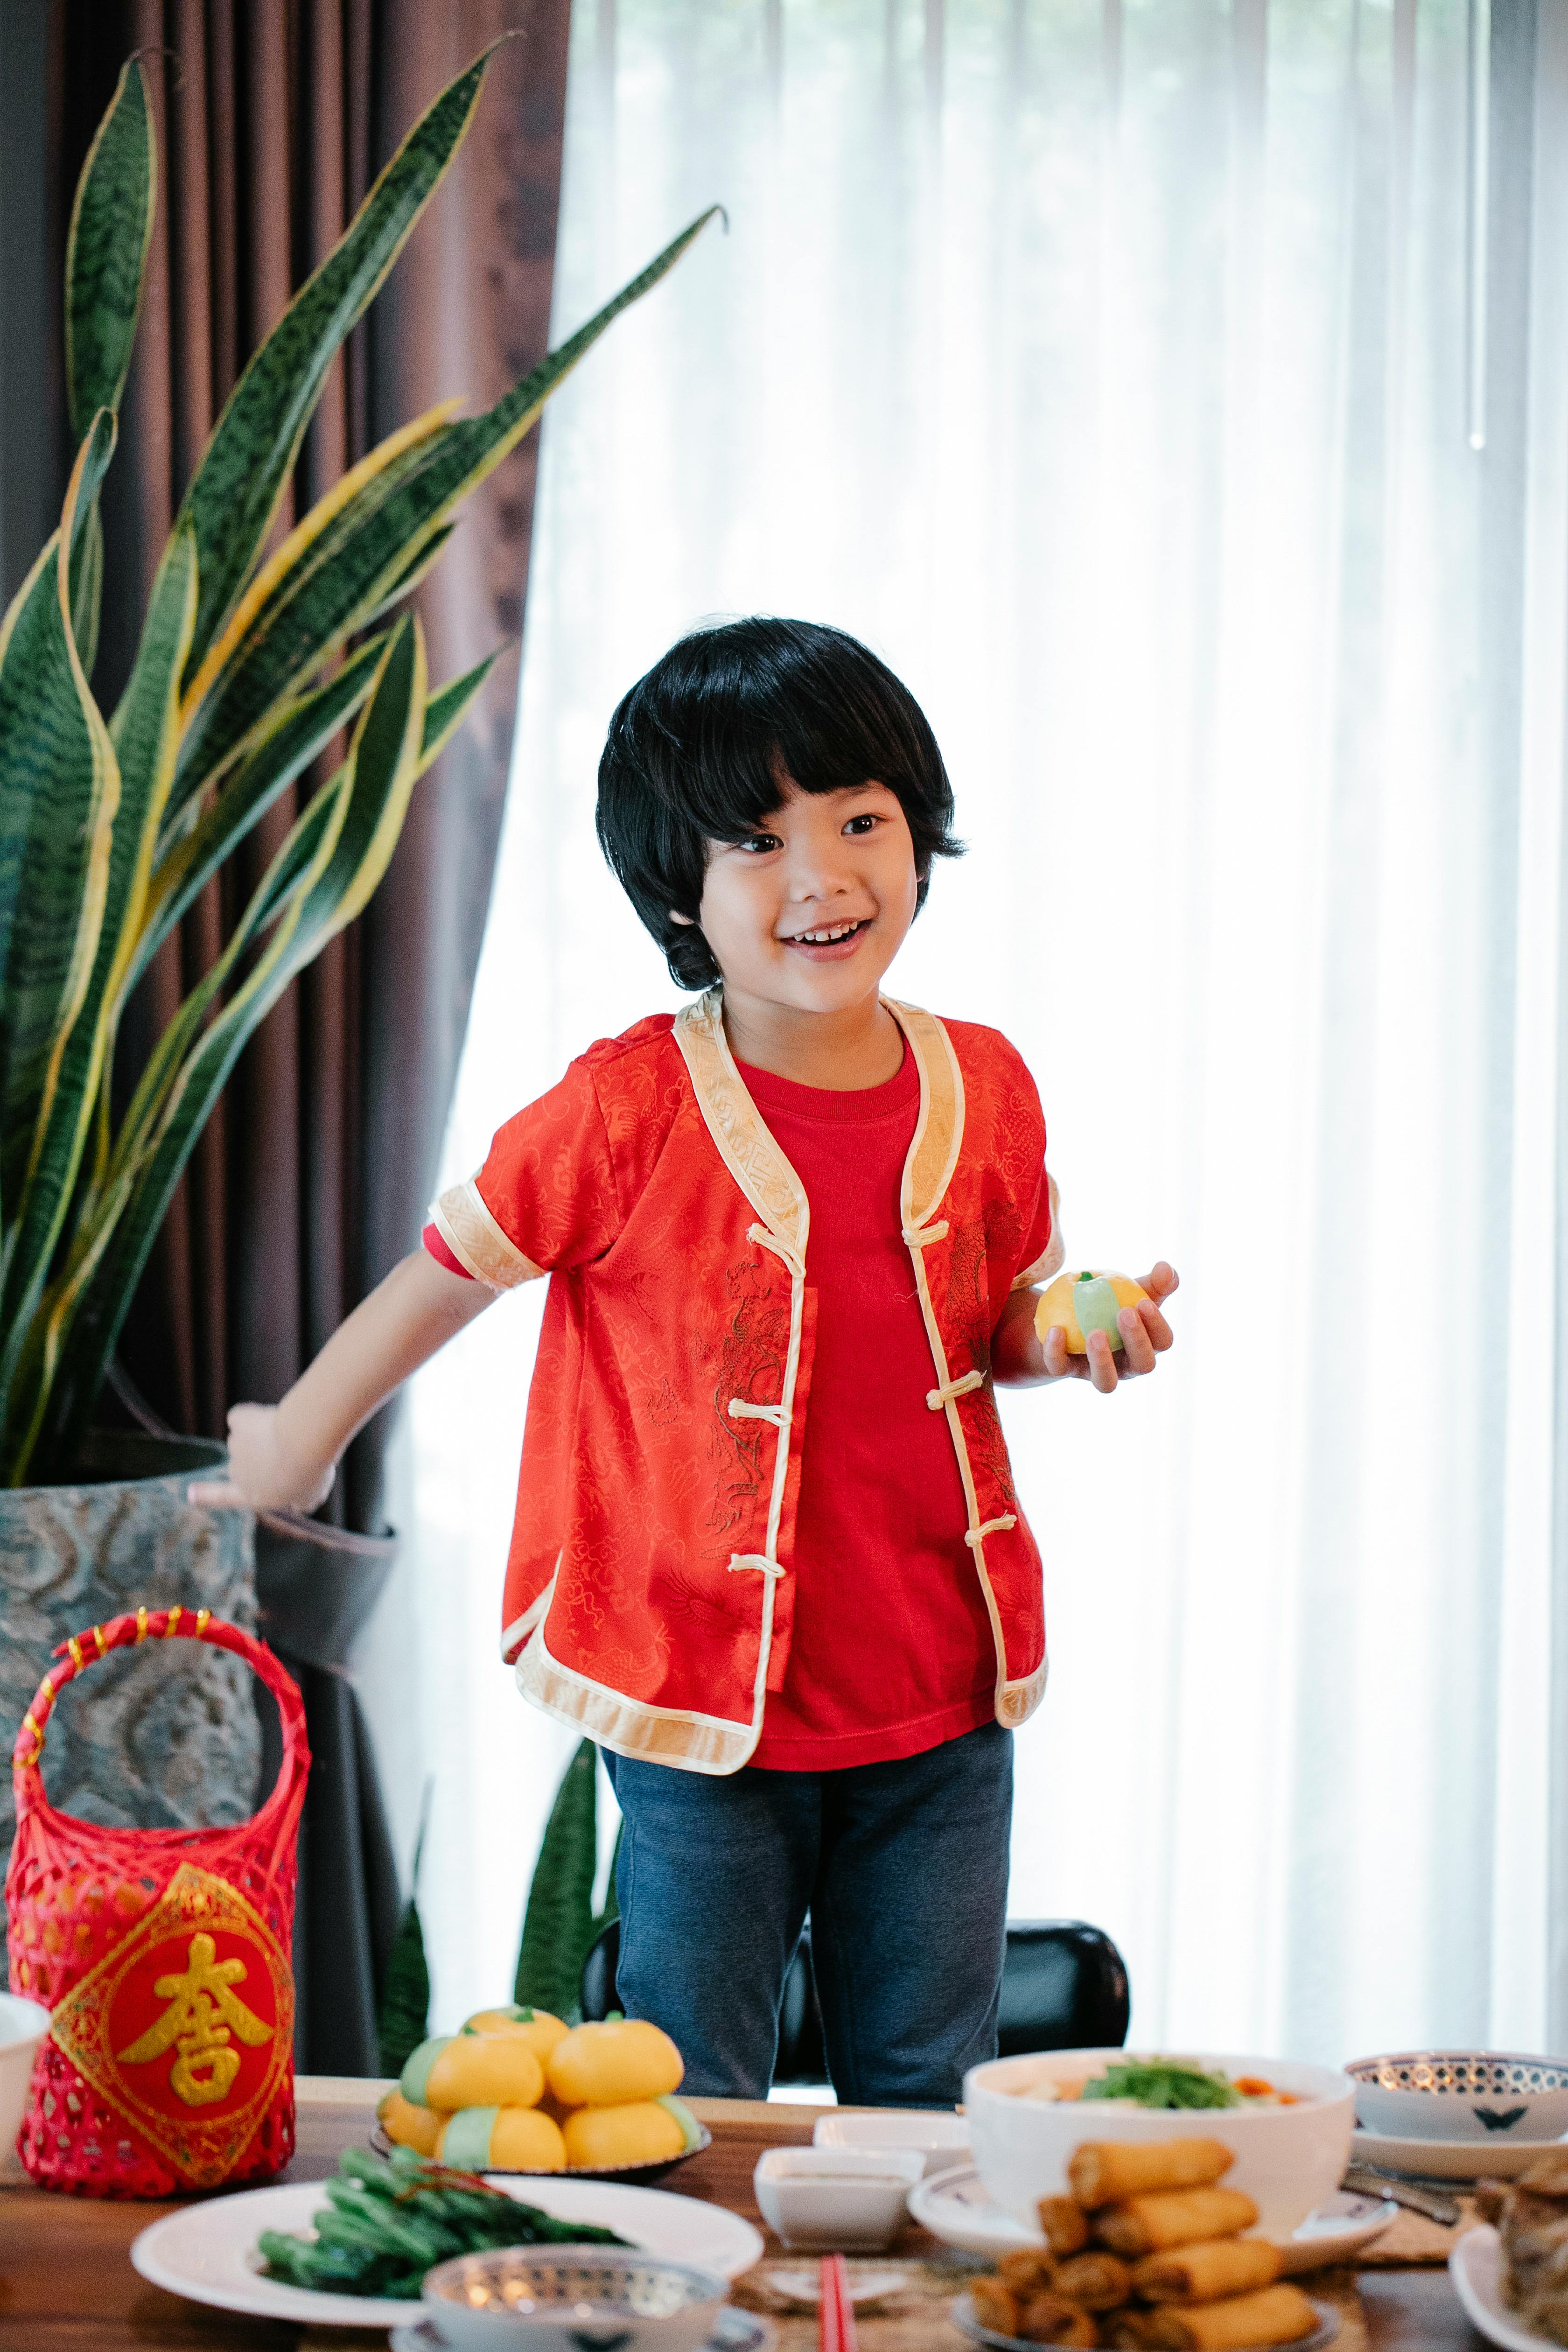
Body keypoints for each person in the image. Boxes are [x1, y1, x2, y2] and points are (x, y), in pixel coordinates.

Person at [194, 617, 1177, 2105]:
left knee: (928, 2083)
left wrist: (1069, 1329)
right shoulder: (626, 1109)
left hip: (941, 1697)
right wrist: (299, 1441)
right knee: (689, 2088)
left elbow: (994, 1321)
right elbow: (446, 1273)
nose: (823, 878)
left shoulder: (987, 1081)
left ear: (920, 834)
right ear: (681, 891)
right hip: (698, 1704)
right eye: (758, 844)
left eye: (861, 823)